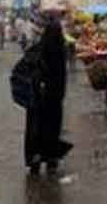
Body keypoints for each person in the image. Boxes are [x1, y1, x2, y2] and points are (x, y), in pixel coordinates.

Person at [24, 20, 73, 175]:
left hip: (37, 98)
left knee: (35, 129)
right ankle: (51, 159)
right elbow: (62, 78)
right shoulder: (60, 51)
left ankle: (35, 160)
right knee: (52, 128)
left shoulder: (38, 50)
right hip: (54, 98)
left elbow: (27, 71)